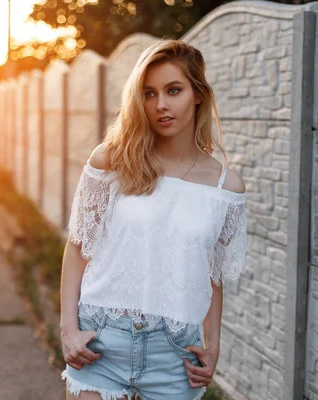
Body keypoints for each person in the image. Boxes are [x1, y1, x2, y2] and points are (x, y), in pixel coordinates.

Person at [59, 38, 247, 400]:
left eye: (173, 90)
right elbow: (79, 244)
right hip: (100, 343)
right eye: (149, 93)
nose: (160, 105)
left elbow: (212, 274)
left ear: (198, 94)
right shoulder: (112, 161)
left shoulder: (226, 187)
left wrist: (214, 347)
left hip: (175, 357)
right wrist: (68, 328)